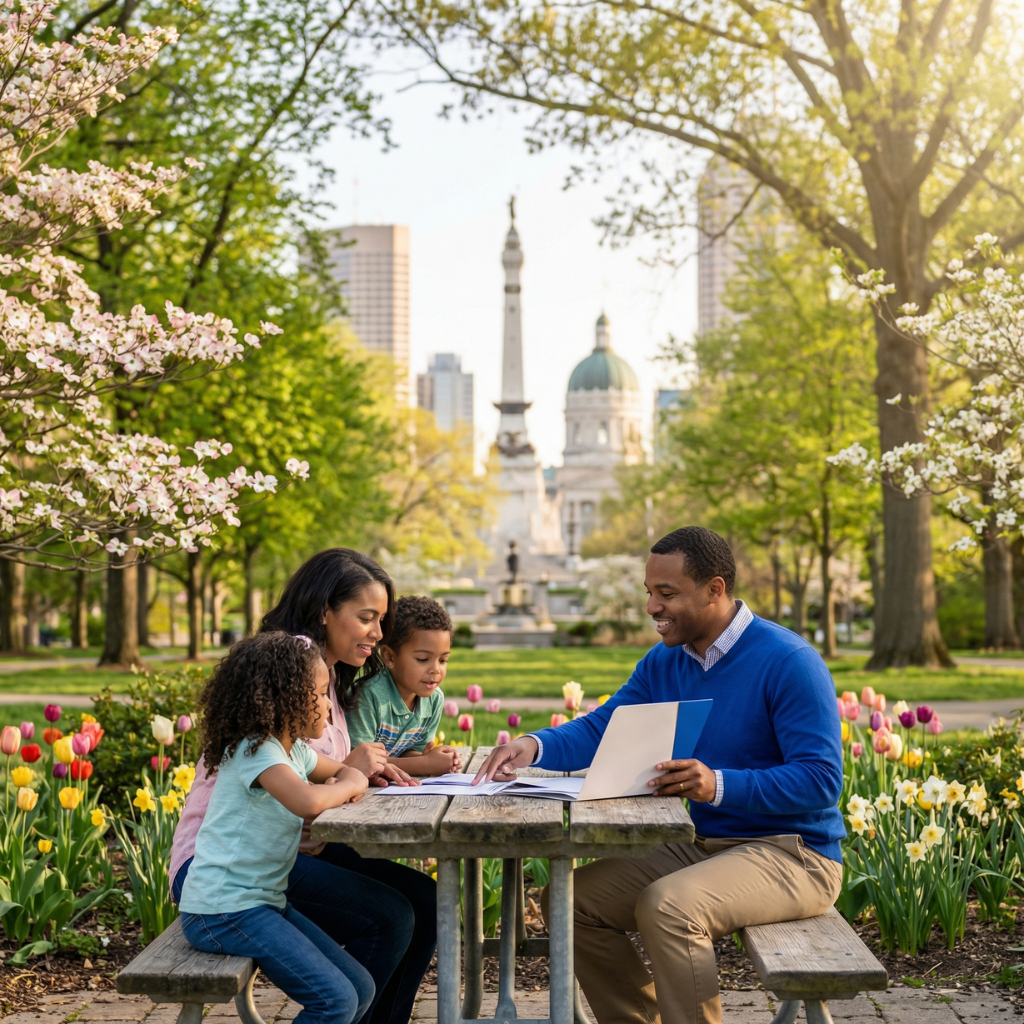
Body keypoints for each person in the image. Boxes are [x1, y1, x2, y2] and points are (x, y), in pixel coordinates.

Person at [474, 526, 845, 1024]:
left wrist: (717, 784)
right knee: (569, 900)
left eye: (666, 594)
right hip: (704, 844)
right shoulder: (666, 661)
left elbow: (821, 779)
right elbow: (605, 725)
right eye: (649, 592)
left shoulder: (789, 662)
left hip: (793, 853)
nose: (652, 606)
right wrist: (533, 745)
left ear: (714, 589)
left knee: (668, 908)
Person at [170, 549, 437, 1024]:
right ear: (323, 612)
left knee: (424, 900)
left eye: (383, 619)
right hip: (226, 870)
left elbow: (327, 769)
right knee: (389, 919)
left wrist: (366, 770)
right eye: (367, 618)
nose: (379, 633)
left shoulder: (322, 677)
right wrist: (351, 775)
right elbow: (312, 790)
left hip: (282, 850)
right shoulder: (289, 672)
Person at [179, 631, 374, 1024]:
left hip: (262, 902)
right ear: (283, 698)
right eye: (319, 695)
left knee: (360, 988)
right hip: (222, 910)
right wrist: (348, 785)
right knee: (334, 1001)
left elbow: (341, 771)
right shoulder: (256, 750)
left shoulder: (294, 750)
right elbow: (308, 800)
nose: (327, 707)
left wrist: (342, 781)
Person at [348, 596, 463, 777]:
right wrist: (425, 764)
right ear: (389, 657)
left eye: (443, 660)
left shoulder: (433, 700)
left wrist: (433, 758)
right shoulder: (368, 696)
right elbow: (359, 761)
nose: (435, 670)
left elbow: (410, 753)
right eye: (423, 659)